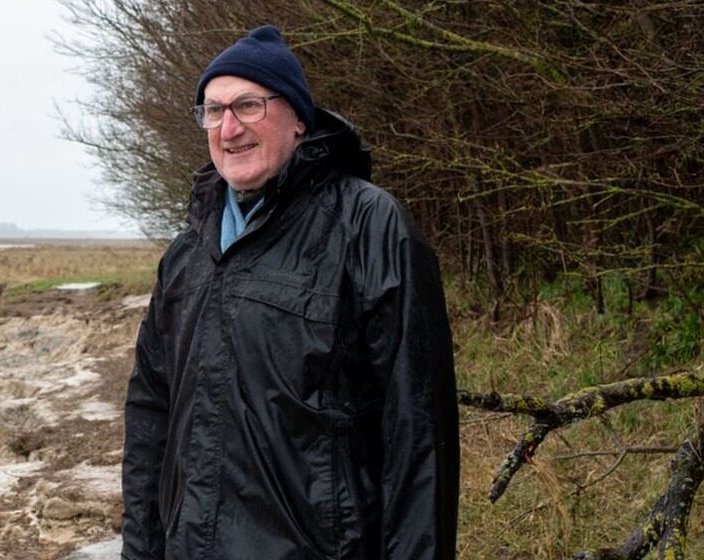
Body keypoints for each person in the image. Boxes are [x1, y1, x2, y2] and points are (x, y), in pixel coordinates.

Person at [121, 25, 460, 559]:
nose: (229, 128)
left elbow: (418, 433)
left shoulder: (368, 227)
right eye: (214, 110)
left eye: (248, 105)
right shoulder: (187, 255)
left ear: (299, 118)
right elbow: (150, 417)